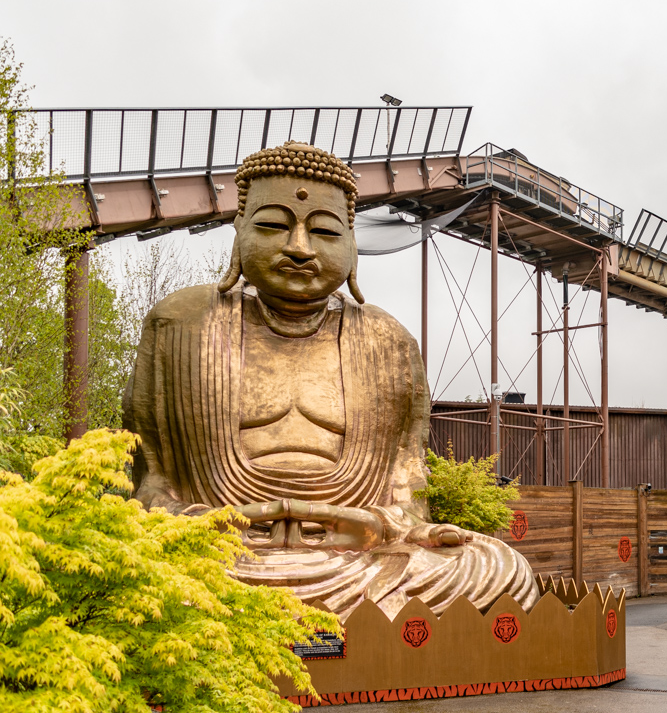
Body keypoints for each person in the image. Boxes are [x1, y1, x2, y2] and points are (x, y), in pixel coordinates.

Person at [123, 141, 537, 620]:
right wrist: (203, 523)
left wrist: (389, 525)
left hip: (356, 558)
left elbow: (406, 484)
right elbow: (152, 485)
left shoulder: (389, 341)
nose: (299, 248)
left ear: (351, 245)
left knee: (496, 567)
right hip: (221, 554)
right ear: (239, 233)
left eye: (324, 231)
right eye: (272, 226)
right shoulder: (181, 324)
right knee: (134, 569)